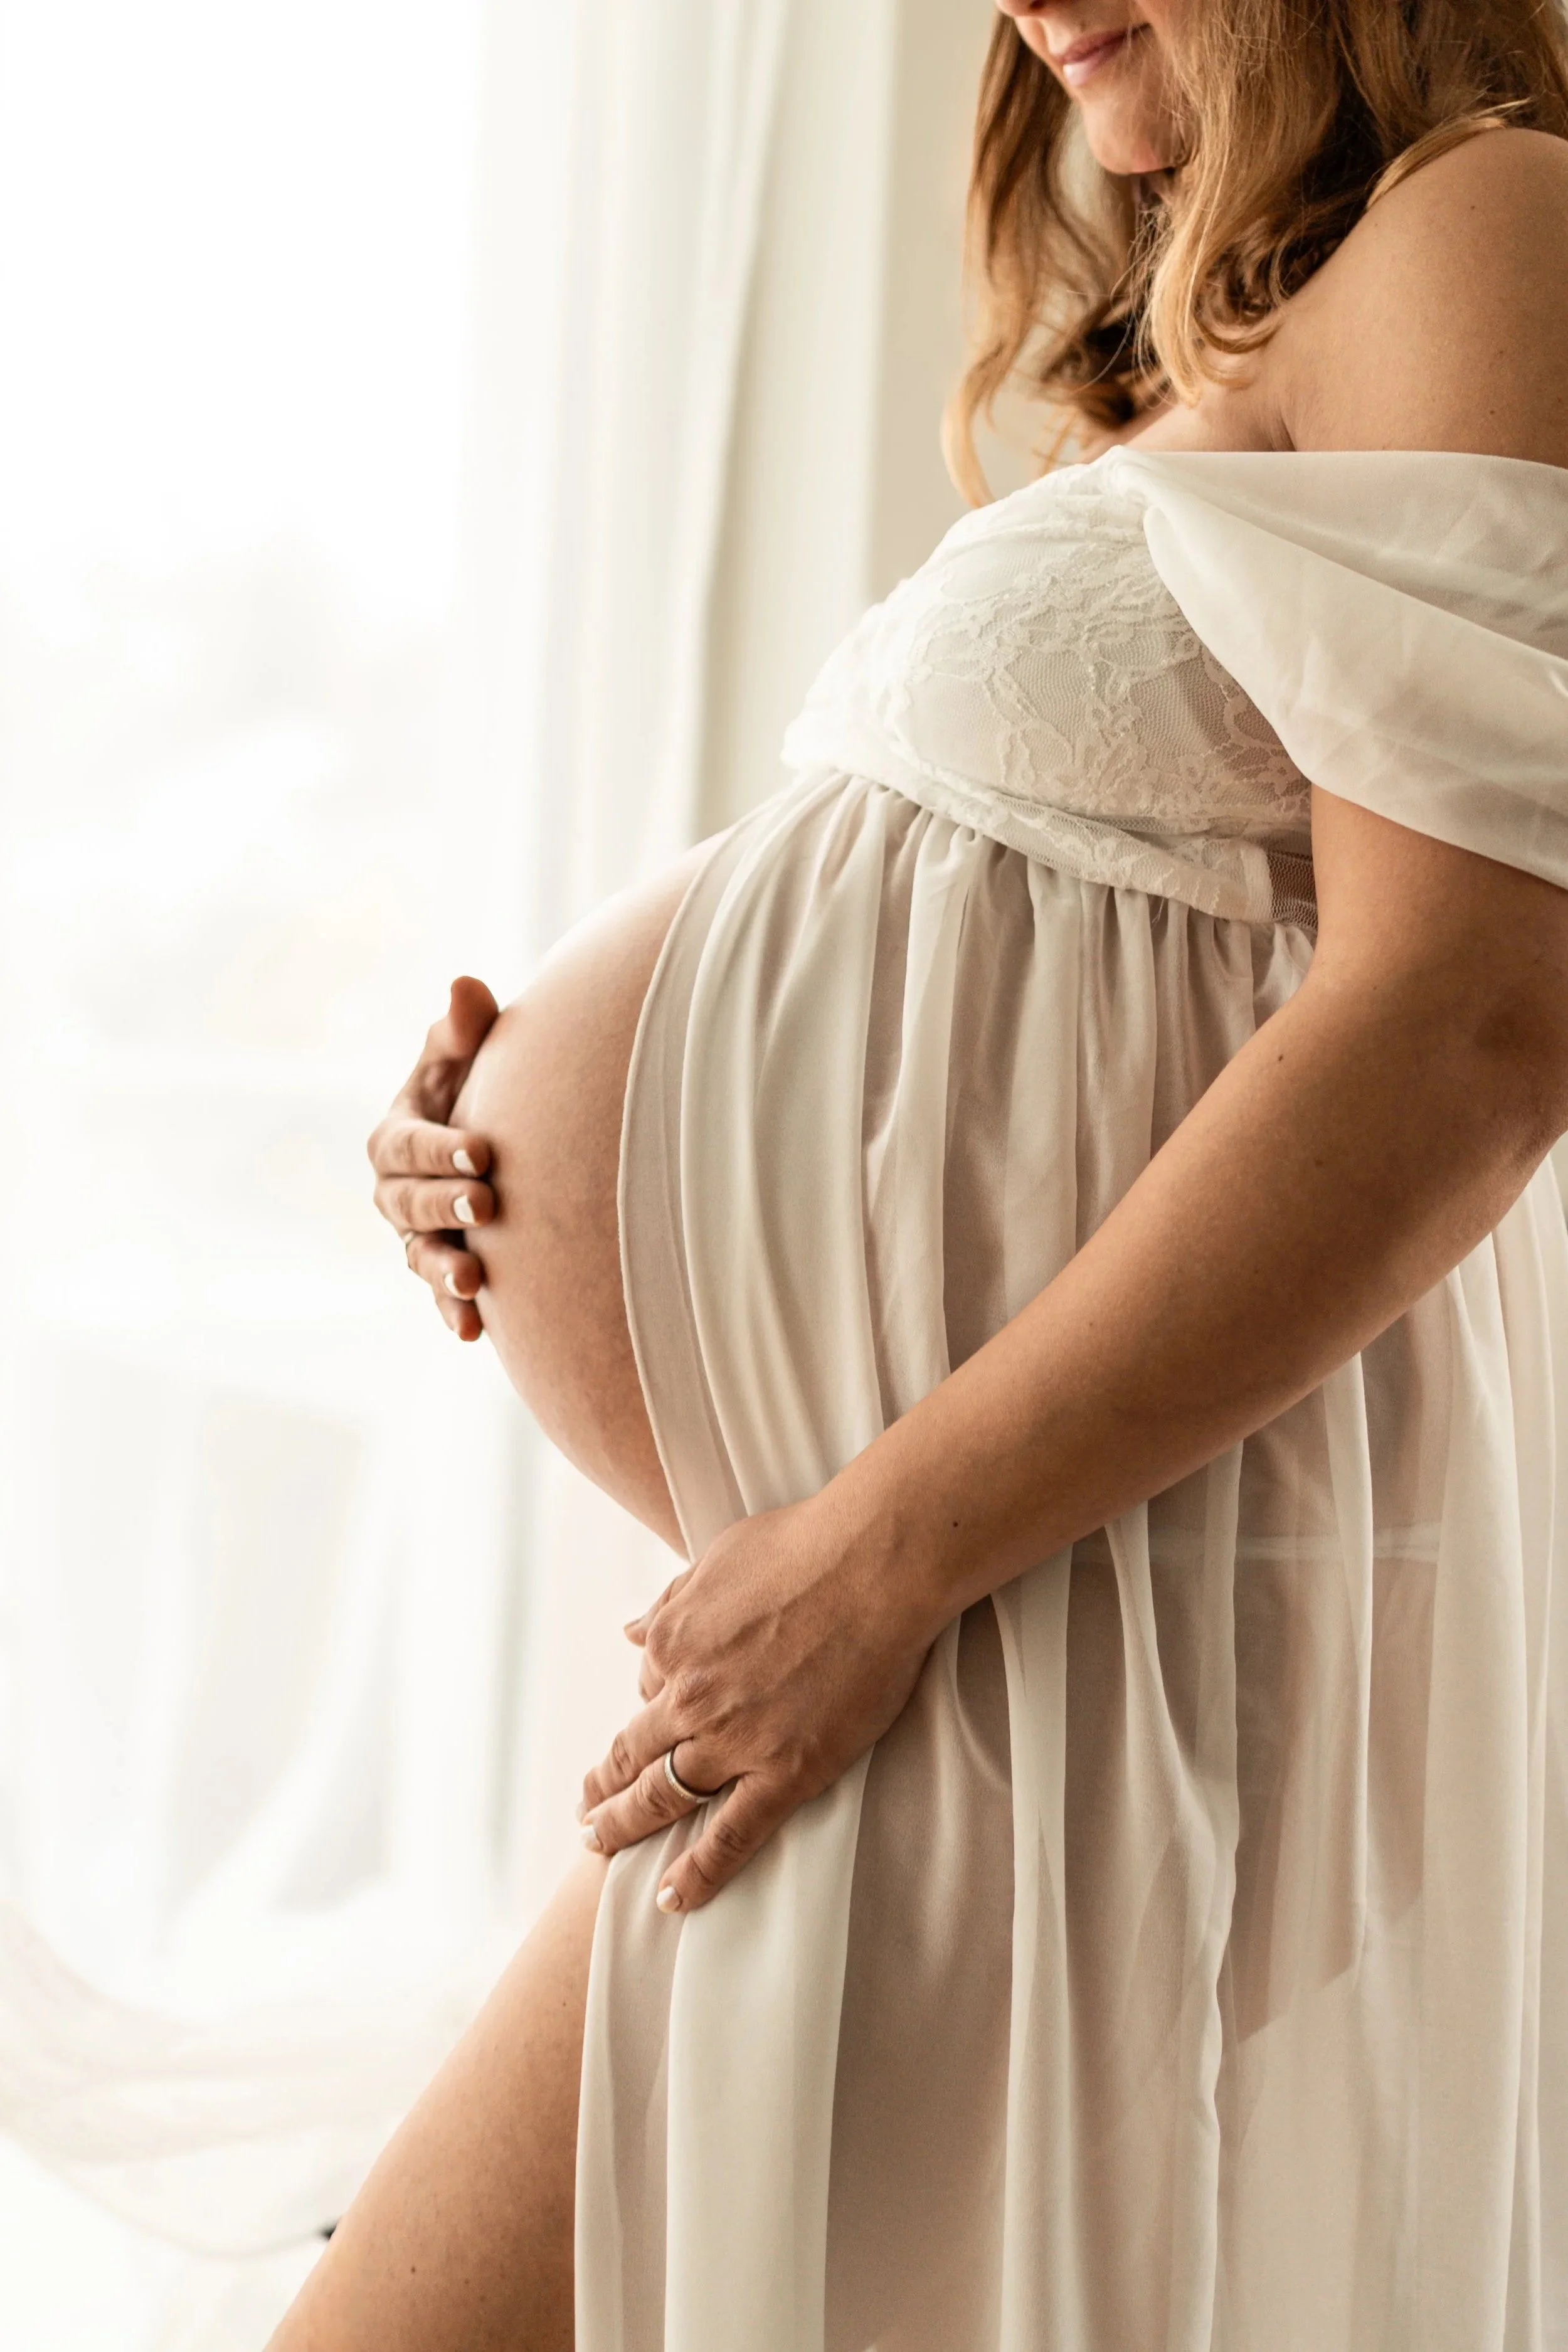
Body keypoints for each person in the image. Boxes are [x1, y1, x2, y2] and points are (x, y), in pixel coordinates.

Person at [271, 3, 1568, 2345]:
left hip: (1038, 1616)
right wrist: (510, 1124)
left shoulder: (1477, 216)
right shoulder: (1222, 326)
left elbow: (1467, 1031)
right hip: (968, 1612)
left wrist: (877, 1555)